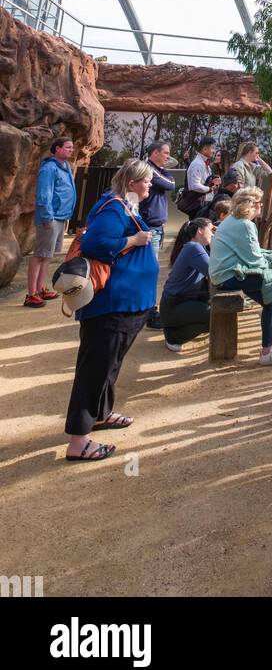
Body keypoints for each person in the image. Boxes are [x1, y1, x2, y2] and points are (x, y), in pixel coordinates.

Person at [62, 159, 158, 461]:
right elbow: (96, 243)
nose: (150, 185)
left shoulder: (126, 206)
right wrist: (135, 239)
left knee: (109, 364)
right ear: (131, 183)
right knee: (95, 368)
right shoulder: (114, 207)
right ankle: (79, 441)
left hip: (128, 304)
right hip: (112, 305)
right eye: (146, 181)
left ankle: (101, 414)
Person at [209, 187, 272, 366]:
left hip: (223, 273)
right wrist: (270, 261)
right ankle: (267, 351)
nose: (261, 206)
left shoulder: (233, 220)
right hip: (227, 276)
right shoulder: (245, 224)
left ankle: (270, 309)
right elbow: (255, 261)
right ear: (249, 205)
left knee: (271, 294)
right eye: (259, 203)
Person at [27, 137, 77, 308]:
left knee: (48, 255)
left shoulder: (66, 168)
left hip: (60, 217)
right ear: (57, 149)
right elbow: (44, 195)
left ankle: (41, 288)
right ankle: (31, 293)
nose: (71, 150)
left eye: (72, 147)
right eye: (68, 147)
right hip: (50, 217)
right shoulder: (49, 168)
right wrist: (47, 217)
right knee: (40, 255)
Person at [137, 138, 176, 330]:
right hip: (148, 227)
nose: (168, 157)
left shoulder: (158, 171)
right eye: (166, 153)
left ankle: (144, 309)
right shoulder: (147, 169)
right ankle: (149, 312)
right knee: (149, 270)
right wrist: (166, 172)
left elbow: (170, 182)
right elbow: (170, 184)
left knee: (149, 269)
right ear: (154, 153)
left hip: (156, 227)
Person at [161, 215, 213, 352]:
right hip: (174, 306)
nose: (213, 234)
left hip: (176, 303)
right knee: (215, 316)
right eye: (211, 230)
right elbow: (213, 271)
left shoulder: (195, 247)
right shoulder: (194, 248)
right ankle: (174, 337)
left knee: (210, 310)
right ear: (200, 231)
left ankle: (175, 328)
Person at [183, 136, 220, 217]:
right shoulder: (197, 164)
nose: (213, 151)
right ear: (205, 149)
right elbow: (194, 186)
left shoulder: (204, 163)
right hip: (198, 205)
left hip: (204, 203)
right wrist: (210, 189)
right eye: (212, 148)